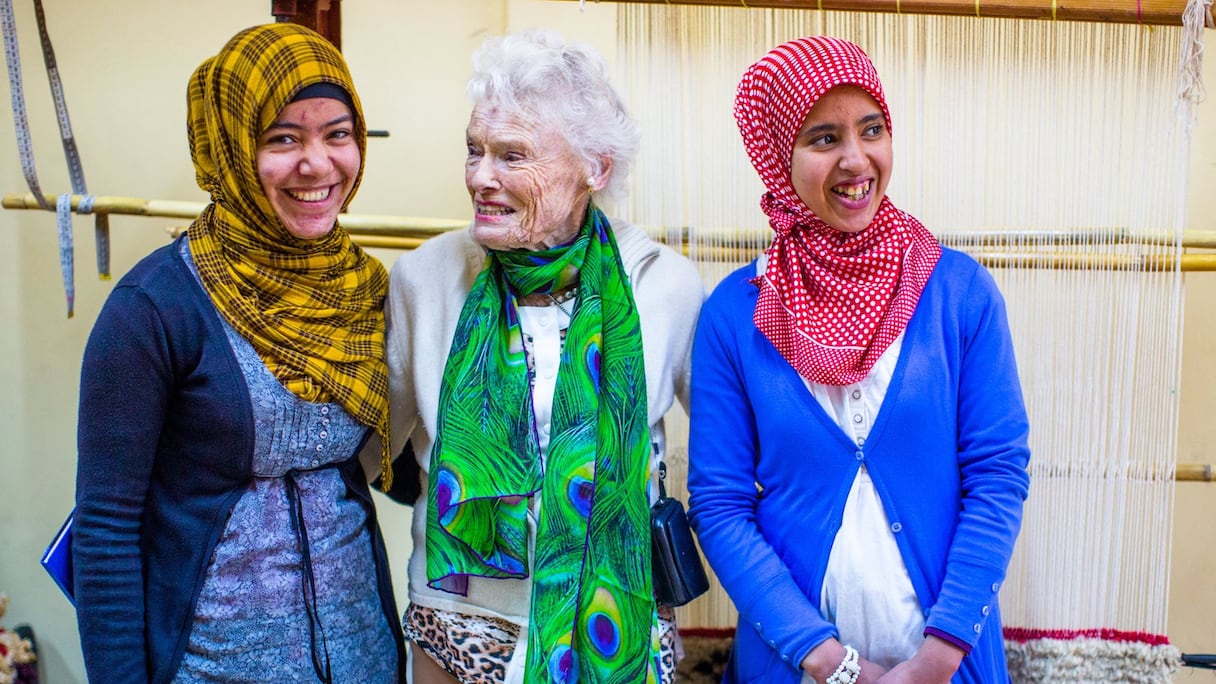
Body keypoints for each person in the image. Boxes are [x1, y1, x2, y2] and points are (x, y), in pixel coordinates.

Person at [687, 36, 1031, 684]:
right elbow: (720, 506)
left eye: (871, 129)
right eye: (823, 139)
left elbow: (996, 476)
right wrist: (834, 665)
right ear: (776, 158)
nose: (856, 160)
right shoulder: (735, 315)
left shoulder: (958, 293)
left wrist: (938, 657)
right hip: (791, 669)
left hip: (952, 669)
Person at [73, 23, 405, 683]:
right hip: (210, 667)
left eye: (338, 134)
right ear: (230, 144)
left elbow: (404, 474)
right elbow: (105, 532)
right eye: (283, 138)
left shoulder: (364, 291)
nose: (318, 164)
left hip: (365, 655)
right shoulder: (155, 308)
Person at [385, 29, 705, 684]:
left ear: (596, 167)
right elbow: (376, 450)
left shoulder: (665, 286)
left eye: (511, 155)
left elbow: (731, 456)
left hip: (616, 623)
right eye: (474, 150)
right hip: (459, 626)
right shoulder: (423, 279)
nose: (480, 177)